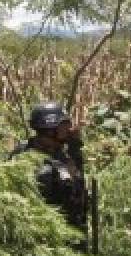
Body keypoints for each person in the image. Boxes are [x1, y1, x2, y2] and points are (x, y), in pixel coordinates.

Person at [9, 102, 90, 237]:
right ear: (49, 129)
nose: (69, 130)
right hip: (45, 234)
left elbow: (77, 180)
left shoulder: (63, 152)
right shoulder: (24, 156)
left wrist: (75, 146)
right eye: (64, 126)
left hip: (72, 231)